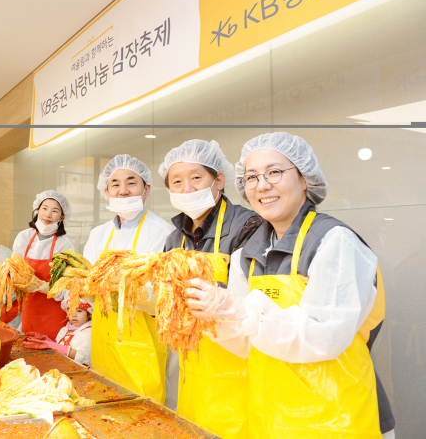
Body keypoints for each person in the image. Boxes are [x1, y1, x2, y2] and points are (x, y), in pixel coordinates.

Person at [185, 132, 395, 438]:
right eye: (252, 177)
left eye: (274, 172)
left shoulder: (335, 242)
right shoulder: (248, 254)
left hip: (337, 417)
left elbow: (325, 336)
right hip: (271, 416)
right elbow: (249, 343)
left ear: (305, 179)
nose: (262, 185)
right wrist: (213, 320)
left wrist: (239, 310)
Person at [158, 139, 261, 435]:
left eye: (196, 178)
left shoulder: (248, 226)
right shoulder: (174, 238)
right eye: (177, 181)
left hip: (238, 365)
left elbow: (254, 302)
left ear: (219, 180)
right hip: (194, 366)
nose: (187, 189)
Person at [82, 154, 175, 404]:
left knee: (143, 412)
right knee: (106, 408)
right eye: (115, 184)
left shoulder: (164, 233)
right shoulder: (98, 234)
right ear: (106, 192)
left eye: (131, 182)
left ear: (146, 190)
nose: (123, 191)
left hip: (144, 346)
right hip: (104, 340)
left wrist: (112, 283)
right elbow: (86, 283)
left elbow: (162, 295)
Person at [12, 190, 75, 340]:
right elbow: (14, 267)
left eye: (55, 211)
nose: (48, 214)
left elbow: (69, 286)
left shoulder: (65, 245)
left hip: (53, 313)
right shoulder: (24, 237)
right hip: (30, 310)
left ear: (62, 217)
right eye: (44, 208)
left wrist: (45, 287)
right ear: (37, 210)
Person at [24, 296, 93, 366]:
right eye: (70, 310)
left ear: (90, 314)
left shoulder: (89, 332)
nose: (74, 315)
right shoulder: (65, 329)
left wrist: (51, 345)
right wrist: (44, 340)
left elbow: (82, 357)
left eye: (79, 311)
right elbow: (59, 346)